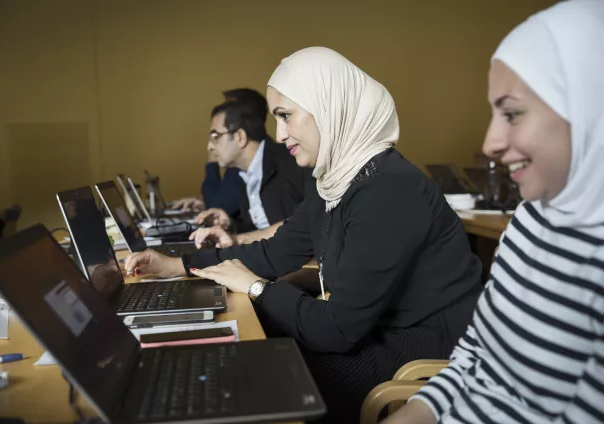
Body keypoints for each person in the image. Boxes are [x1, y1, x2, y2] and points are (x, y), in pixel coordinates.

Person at [126, 47, 482, 423]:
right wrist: (179, 264)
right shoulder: (334, 180)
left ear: (329, 108)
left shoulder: (387, 189)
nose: (279, 135)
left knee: (255, 378)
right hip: (376, 331)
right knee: (249, 354)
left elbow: (338, 330)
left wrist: (257, 288)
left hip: (419, 349)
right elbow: (276, 253)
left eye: (286, 116)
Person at [388, 1, 604, 423]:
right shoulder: (529, 219)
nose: (490, 141)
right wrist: (415, 411)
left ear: (591, 104)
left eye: (511, 113)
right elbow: (476, 355)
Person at [191, 100, 308, 247]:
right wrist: (231, 225)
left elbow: (307, 223)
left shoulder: (293, 161)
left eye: (215, 136)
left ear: (240, 136)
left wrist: (237, 239)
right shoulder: (247, 172)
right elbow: (262, 228)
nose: (209, 146)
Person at [172, 89, 269, 216]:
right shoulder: (246, 165)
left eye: (228, 108)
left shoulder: (251, 163)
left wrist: (212, 159)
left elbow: (217, 205)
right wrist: (204, 204)